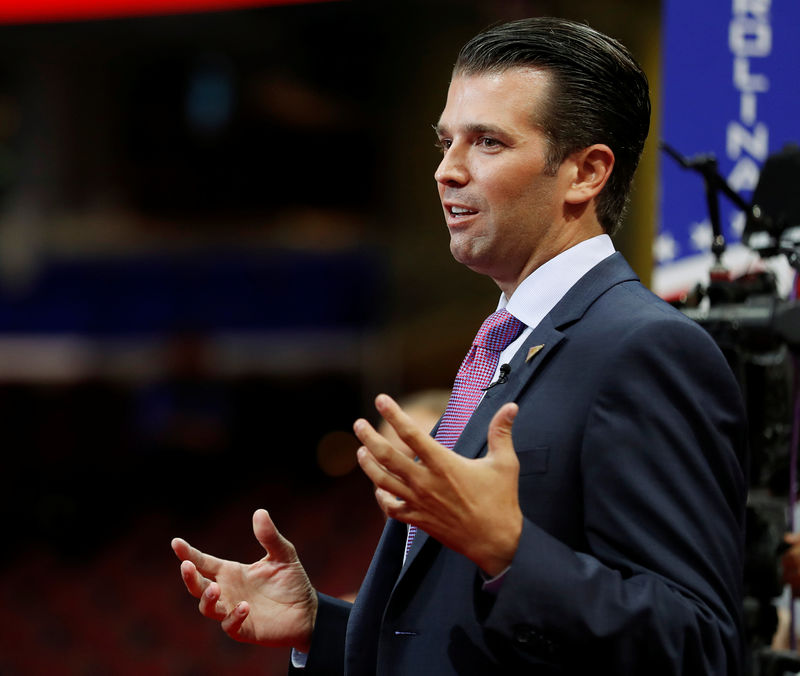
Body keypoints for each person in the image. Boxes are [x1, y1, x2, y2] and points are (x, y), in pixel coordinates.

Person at [171, 17, 748, 674]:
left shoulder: (647, 351)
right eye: (446, 141)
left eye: (489, 143)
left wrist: (509, 550)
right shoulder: (506, 339)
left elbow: (699, 646)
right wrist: (323, 625)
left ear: (586, 172)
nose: (448, 170)